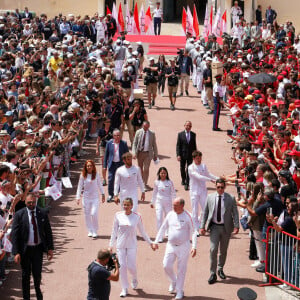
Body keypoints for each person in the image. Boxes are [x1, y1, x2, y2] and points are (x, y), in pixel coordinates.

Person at [109, 198, 156, 297]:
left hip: (132, 245)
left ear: (132, 205)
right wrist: (111, 245)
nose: (125, 207)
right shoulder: (118, 215)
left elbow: (143, 232)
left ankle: (134, 277)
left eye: (127, 205)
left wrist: (150, 243)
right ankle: (124, 288)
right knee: (122, 267)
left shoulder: (137, 216)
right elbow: (114, 231)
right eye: (124, 205)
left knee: (131, 266)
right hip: (120, 245)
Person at [11, 193, 54, 300]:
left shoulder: (42, 213)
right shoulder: (19, 215)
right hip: (25, 250)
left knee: (37, 274)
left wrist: (50, 248)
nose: (31, 204)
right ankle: (26, 298)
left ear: (36, 201)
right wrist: (16, 252)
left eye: (33, 202)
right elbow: (15, 235)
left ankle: (39, 294)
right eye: (29, 202)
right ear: (25, 202)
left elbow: (48, 232)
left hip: (38, 250)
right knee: (26, 275)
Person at [153, 197, 197, 300]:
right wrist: (156, 241)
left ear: (182, 206)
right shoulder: (170, 214)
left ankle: (179, 291)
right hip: (171, 245)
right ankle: (173, 280)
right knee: (166, 265)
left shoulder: (188, 216)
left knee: (181, 269)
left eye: (175, 205)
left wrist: (194, 246)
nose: (173, 207)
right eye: (173, 205)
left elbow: (194, 231)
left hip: (183, 246)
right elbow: (163, 227)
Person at [200, 179, 239, 284]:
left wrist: (236, 226)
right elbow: (205, 212)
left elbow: (235, 213)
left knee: (223, 250)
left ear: (225, 187)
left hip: (226, 227)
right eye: (218, 187)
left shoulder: (230, 198)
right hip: (214, 228)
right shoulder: (210, 197)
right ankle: (213, 273)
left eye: (222, 187)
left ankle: (220, 268)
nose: (220, 189)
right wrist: (202, 226)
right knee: (213, 249)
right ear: (216, 187)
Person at [188, 151, 219, 230]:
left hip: (202, 190)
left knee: (205, 209)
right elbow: (198, 177)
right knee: (195, 210)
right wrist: (211, 180)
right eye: (197, 158)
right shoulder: (191, 167)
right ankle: (196, 228)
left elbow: (208, 174)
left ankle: (201, 223)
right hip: (194, 191)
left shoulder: (203, 166)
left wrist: (218, 178)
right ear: (194, 159)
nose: (199, 160)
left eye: (200, 158)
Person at [76, 160, 105, 238]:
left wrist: (103, 194)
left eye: (90, 166)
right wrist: (78, 197)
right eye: (88, 166)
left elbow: (100, 185)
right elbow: (79, 187)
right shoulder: (83, 175)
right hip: (86, 198)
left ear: (93, 167)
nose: (89, 167)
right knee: (87, 215)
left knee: (94, 213)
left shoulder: (96, 175)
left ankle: (95, 230)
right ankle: (90, 230)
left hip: (95, 198)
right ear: (86, 167)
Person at [151, 167, 176, 241]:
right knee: (159, 218)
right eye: (161, 173)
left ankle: (168, 232)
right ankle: (160, 236)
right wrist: (152, 202)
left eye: (164, 173)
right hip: (159, 202)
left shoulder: (170, 182)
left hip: (168, 202)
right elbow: (154, 192)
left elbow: (173, 193)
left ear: (167, 174)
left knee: (168, 218)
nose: (163, 174)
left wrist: (175, 203)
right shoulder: (156, 182)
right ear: (159, 174)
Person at [103, 129, 129, 202]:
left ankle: (119, 194)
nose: (117, 137)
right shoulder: (109, 143)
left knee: (121, 180)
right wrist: (105, 165)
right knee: (111, 179)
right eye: (115, 135)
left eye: (118, 135)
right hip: (112, 164)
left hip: (121, 165)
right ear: (113, 136)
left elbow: (127, 154)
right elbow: (106, 155)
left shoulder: (123, 143)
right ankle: (111, 195)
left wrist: (127, 164)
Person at [132, 121, 158, 190]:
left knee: (146, 169)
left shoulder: (152, 134)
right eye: (144, 127)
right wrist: (134, 153)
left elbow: (154, 145)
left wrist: (156, 154)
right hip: (140, 153)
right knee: (140, 169)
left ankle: (144, 184)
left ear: (149, 126)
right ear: (142, 126)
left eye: (146, 127)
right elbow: (134, 143)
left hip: (148, 154)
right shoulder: (138, 132)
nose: (145, 128)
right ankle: (141, 182)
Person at [176, 121, 197, 191]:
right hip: (182, 154)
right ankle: (183, 179)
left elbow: (194, 145)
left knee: (189, 169)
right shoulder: (180, 134)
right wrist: (178, 155)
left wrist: (195, 155)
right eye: (187, 125)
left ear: (191, 127)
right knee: (182, 168)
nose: (188, 127)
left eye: (189, 126)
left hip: (190, 155)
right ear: (184, 126)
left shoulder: (193, 134)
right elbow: (178, 146)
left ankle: (187, 183)